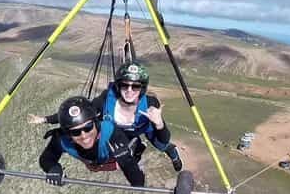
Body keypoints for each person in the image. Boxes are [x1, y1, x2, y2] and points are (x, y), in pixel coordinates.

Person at [29, 61, 183, 171]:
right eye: (125, 85)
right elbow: (80, 113)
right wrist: (45, 119)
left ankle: (172, 153)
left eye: (135, 86)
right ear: (118, 85)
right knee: (116, 155)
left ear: (142, 88)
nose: (129, 90)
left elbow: (163, 137)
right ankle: (136, 150)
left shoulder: (150, 104)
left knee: (162, 144)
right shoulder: (106, 100)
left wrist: (158, 123)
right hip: (121, 133)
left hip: (142, 127)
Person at [38, 96, 145, 187]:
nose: (83, 136)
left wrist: (126, 161)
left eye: (88, 127)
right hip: (95, 163)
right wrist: (53, 168)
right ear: (68, 133)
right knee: (96, 165)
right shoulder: (62, 139)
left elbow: (138, 183)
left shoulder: (110, 132)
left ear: (96, 124)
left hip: (113, 159)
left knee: (128, 154)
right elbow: (46, 158)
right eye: (75, 132)